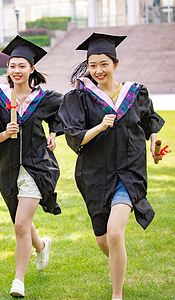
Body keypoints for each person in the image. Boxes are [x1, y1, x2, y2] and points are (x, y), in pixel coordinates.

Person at [58, 32, 165, 300]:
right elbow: (74, 137)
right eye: (92, 65)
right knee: (104, 241)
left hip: (129, 171)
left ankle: (117, 295)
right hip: (94, 174)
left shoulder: (134, 93)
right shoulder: (80, 97)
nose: (98, 70)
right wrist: (100, 126)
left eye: (104, 64)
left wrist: (154, 143)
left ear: (115, 64)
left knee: (116, 233)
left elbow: (149, 119)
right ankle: (119, 266)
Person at [0, 35, 63, 297]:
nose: (16, 71)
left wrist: (54, 132)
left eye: (22, 66)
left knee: (21, 224)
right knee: (21, 218)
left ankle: (18, 281)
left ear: (32, 69)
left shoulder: (43, 98)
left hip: (37, 166)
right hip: (7, 167)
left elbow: (65, 112)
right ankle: (41, 246)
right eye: (12, 66)